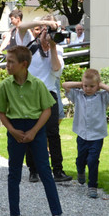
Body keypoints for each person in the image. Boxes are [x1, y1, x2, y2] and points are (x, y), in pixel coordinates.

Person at [0, 45, 65, 216]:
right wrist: (13, 131)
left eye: (11, 62)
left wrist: (34, 131)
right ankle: (15, 215)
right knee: (14, 172)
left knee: (45, 171)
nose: (7, 65)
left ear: (24, 64)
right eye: (7, 61)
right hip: (15, 130)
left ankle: (56, 213)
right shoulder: (5, 86)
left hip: (36, 129)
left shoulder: (38, 84)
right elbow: (1, 112)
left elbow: (47, 110)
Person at [24, 20, 72, 183]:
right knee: (31, 131)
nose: (48, 36)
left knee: (53, 133)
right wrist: (44, 25)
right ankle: (33, 170)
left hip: (49, 94)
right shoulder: (31, 48)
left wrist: (52, 46)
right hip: (31, 94)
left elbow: (56, 69)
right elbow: (21, 27)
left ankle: (58, 171)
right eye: (46, 32)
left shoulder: (57, 50)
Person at [62, 69, 109, 198]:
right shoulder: (78, 95)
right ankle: (80, 170)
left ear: (97, 86)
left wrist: (100, 85)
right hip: (82, 135)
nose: (88, 89)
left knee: (93, 160)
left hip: (97, 136)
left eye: (92, 86)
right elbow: (65, 85)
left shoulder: (102, 97)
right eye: (85, 86)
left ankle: (92, 186)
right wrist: (80, 84)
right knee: (81, 160)